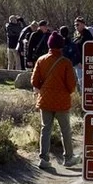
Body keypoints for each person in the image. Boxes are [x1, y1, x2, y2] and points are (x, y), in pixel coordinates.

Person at [32, 31, 79, 169]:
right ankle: (68, 158)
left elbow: (34, 81)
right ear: (61, 46)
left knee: (45, 129)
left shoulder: (41, 60)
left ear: (49, 45)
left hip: (45, 100)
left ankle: (44, 159)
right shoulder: (65, 62)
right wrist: (67, 92)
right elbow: (71, 85)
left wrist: (44, 89)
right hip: (61, 102)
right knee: (65, 130)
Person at [72, 17, 93, 91]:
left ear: (83, 24)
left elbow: (87, 50)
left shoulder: (87, 35)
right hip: (76, 62)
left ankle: (84, 97)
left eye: (77, 24)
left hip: (83, 63)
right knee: (79, 82)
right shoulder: (77, 34)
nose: (76, 26)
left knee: (83, 82)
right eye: (75, 25)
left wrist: (81, 62)